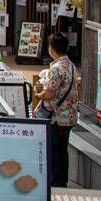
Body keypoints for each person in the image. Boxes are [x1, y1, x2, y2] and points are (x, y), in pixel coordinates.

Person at [34, 32, 80, 188]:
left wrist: (38, 94)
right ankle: (62, 180)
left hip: (57, 116)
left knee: (54, 149)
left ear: (52, 48)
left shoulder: (56, 68)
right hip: (70, 115)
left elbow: (49, 93)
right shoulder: (71, 65)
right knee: (62, 149)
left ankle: (55, 182)